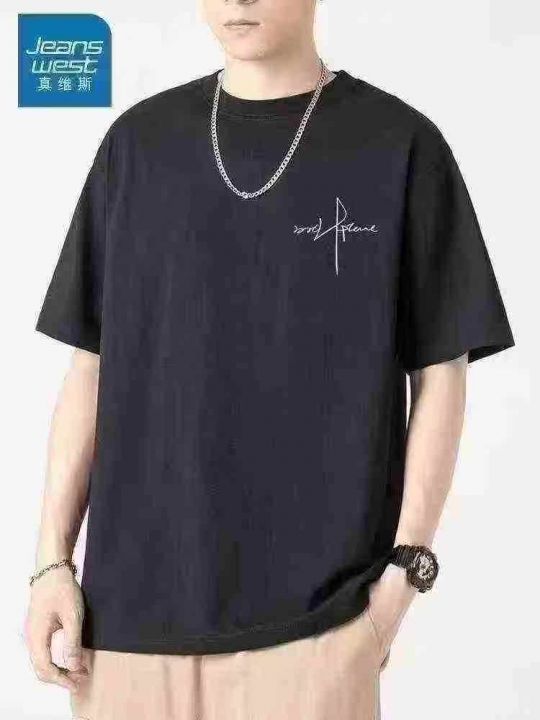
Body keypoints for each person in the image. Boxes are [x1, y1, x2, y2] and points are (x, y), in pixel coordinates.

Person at [24, 1, 515, 718]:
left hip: (317, 633)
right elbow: (91, 366)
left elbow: (442, 371)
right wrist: (51, 563)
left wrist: (402, 578)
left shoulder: (399, 145)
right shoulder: (138, 146)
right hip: (124, 634)